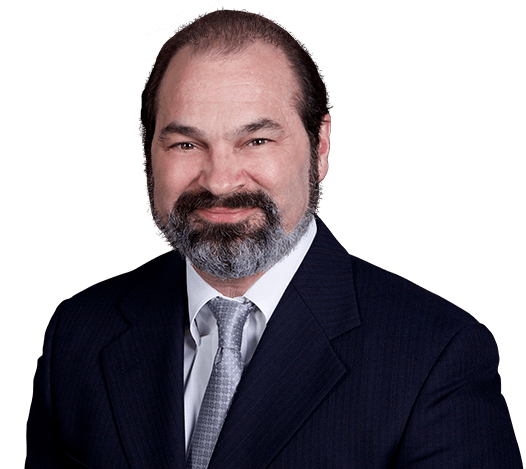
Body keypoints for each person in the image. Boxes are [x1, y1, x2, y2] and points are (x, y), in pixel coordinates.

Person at [26, 8, 523, 469]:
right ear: (148, 153)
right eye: (185, 143)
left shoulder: (437, 356)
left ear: (321, 147)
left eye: (256, 140)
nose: (220, 181)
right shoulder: (79, 333)